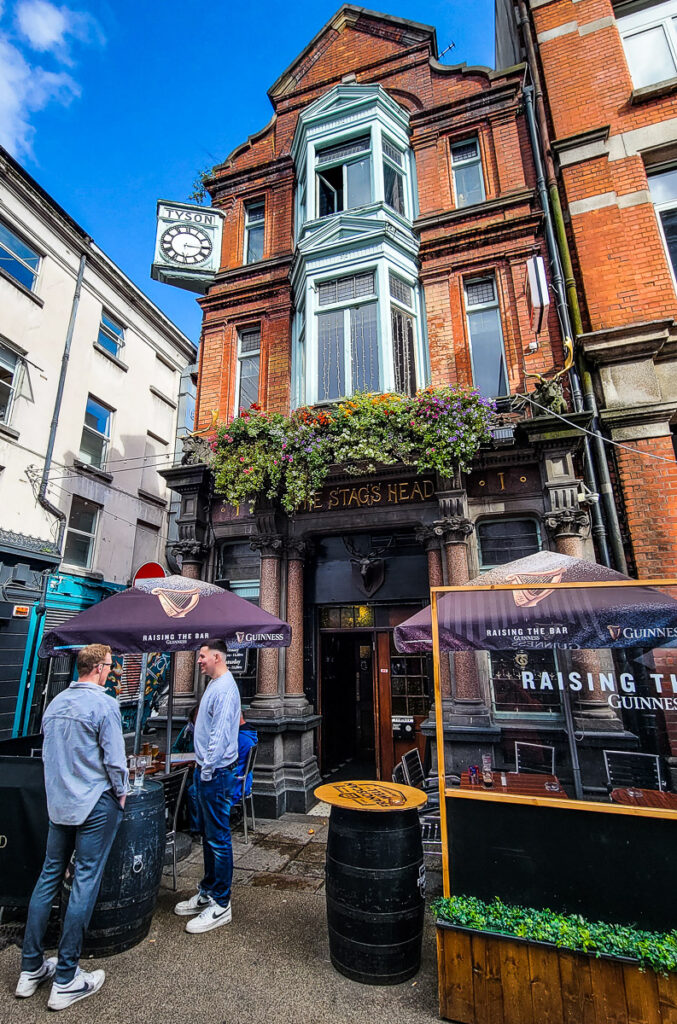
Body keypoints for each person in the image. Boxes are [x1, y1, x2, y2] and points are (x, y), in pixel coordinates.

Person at [16, 644, 128, 1011]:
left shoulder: (56, 704)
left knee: (48, 877)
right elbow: (115, 760)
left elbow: (51, 754)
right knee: (84, 881)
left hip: (59, 803)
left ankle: (30, 967)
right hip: (94, 802)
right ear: (97, 668)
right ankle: (66, 977)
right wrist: (122, 794)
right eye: (110, 666)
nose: (112, 671)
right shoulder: (104, 704)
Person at [174, 640, 240, 934]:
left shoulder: (225, 688)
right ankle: (209, 891)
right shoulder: (214, 684)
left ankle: (221, 904)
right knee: (211, 837)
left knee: (218, 838)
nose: (198, 660)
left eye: (201, 656)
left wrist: (207, 769)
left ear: (216, 657)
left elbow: (221, 734)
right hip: (207, 770)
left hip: (215, 773)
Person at [230, 714, 258, 828]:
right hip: (244, 781)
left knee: (195, 791)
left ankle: (200, 829)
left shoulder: (239, 738)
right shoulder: (249, 734)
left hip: (236, 783)